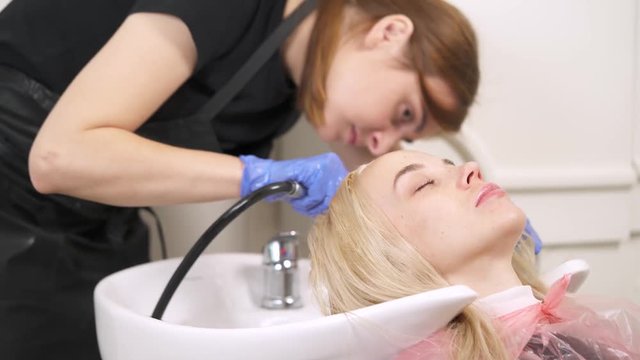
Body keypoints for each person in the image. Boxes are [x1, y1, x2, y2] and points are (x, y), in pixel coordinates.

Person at [0, 0, 481, 358]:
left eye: (405, 136)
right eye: (402, 113)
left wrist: (473, 213)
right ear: (390, 32)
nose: (382, 143)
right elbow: (60, 156)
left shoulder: (287, 92)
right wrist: (258, 175)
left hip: (88, 225)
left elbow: (370, 169)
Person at [308, 149, 640, 360]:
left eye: (449, 165)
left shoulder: (567, 334)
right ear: (387, 261)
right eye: (424, 184)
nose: (471, 168)